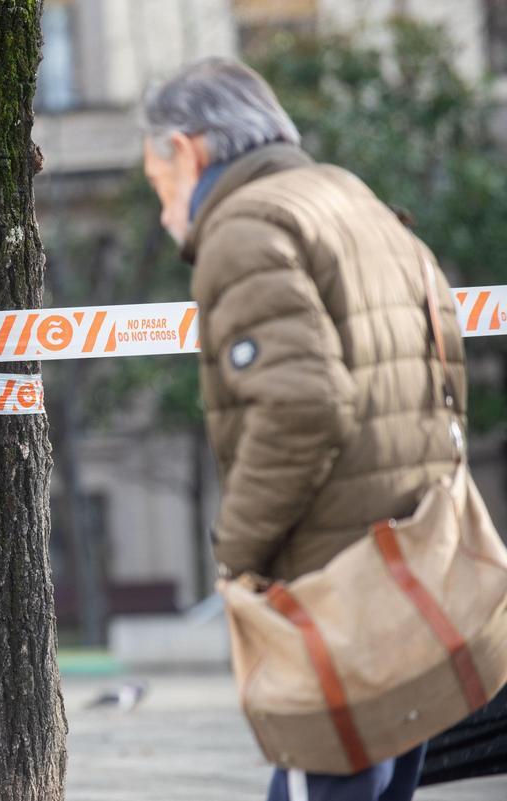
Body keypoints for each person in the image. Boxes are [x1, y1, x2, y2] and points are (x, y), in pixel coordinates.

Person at [140, 57, 467, 801]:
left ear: (188, 151)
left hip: (330, 576)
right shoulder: (355, 201)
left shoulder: (247, 229)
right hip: (408, 558)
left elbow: (301, 407)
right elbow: (444, 354)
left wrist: (238, 555)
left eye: (159, 187)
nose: (164, 214)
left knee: (330, 779)